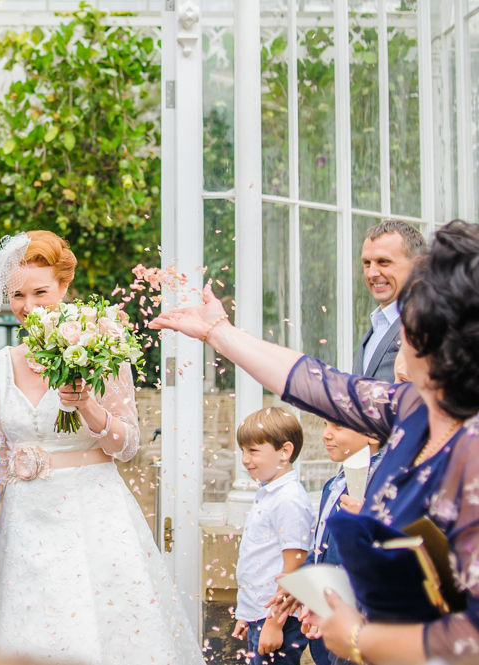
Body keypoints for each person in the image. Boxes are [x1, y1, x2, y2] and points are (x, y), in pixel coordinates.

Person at [149, 219, 479, 665]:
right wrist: (218, 332)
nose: (400, 329)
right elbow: (316, 383)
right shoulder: (414, 407)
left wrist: (363, 639)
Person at [0, 231, 202, 665]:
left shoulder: (101, 349)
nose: (29, 305)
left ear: (64, 287)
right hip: (23, 524)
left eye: (40, 291)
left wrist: (89, 406)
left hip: (92, 516)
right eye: (17, 294)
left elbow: (127, 445)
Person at [230, 407, 314, 665]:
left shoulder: (288, 499)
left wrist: (274, 624)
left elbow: (293, 567)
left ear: (284, 452)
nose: (245, 459)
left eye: (253, 451)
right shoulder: (269, 493)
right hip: (260, 616)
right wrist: (247, 614)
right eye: (243, 451)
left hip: (278, 620)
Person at [295, 421, 379, 665]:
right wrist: (305, 591)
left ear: (372, 434)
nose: (325, 434)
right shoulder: (332, 486)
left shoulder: (382, 489)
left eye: (338, 427)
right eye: (324, 424)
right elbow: (321, 549)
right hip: (325, 623)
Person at [352, 220, 425, 381]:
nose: (372, 273)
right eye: (366, 263)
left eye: (383, 262)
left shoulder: (430, 324)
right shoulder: (376, 325)